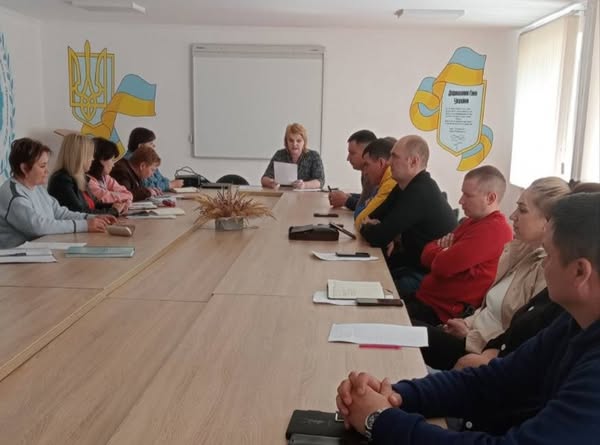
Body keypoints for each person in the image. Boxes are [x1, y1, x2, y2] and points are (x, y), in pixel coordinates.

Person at [336, 192, 600, 443]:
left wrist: (378, 420)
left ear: (580, 272)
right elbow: (491, 381)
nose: (544, 264)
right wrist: (395, 394)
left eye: (549, 255)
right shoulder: (572, 323)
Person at [417, 176, 570, 370]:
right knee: (400, 327)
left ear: (548, 222)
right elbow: (488, 308)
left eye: (522, 210)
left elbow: (517, 335)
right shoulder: (519, 250)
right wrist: (466, 323)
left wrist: (470, 336)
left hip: (478, 350)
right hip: (466, 331)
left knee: (402, 330)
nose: (513, 215)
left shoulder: (548, 271)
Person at [454, 181, 600, 371]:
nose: (512, 216)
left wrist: (478, 346)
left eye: (549, 255)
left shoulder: (563, 315)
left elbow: (443, 265)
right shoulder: (566, 322)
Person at [403, 166, 513, 326]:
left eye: (468, 195)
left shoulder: (494, 230)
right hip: (427, 300)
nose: (461, 201)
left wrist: (443, 251)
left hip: (440, 314)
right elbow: (426, 255)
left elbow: (441, 266)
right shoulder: (471, 221)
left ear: (490, 198)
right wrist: (445, 251)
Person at [359, 135, 456, 295]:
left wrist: (373, 228)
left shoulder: (420, 192)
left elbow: (378, 236)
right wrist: (374, 227)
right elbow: (372, 216)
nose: (388, 162)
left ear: (413, 162)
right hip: (409, 264)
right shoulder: (404, 186)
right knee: (364, 278)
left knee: (370, 290)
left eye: (394, 157)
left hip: (426, 276)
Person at [0, 138, 109, 248]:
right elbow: (38, 227)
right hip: (17, 256)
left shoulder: (37, 187)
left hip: (38, 250)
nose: (47, 171)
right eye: (42, 166)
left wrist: (92, 218)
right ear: (24, 168)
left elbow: (60, 213)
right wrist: (85, 225)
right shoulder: (13, 196)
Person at [47, 134, 121, 217]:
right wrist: (113, 211)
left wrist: (114, 206)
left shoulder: (80, 177)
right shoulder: (61, 180)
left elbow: (95, 204)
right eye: (90, 155)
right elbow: (80, 213)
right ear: (80, 156)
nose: (93, 159)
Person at [261, 123, 325, 189]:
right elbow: (264, 179)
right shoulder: (279, 155)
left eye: (298, 141)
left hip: (305, 194)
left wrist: (304, 185)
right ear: (286, 141)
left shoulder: (313, 156)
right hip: (283, 194)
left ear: (304, 142)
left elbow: (320, 181)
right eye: (291, 140)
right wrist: (271, 183)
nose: (294, 144)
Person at [353, 138, 396, 230]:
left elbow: (359, 221)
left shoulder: (390, 183)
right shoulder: (385, 181)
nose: (364, 172)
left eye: (366, 165)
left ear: (381, 163)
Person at [328, 129, 377, 209]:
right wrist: (349, 196)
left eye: (352, 153)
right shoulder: (365, 173)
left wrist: (346, 201)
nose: (348, 158)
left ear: (367, 153)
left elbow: (373, 206)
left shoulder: (376, 175)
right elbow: (366, 198)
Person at [125, 127, 183, 192]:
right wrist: (170, 185)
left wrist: (169, 183)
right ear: (140, 146)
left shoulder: (148, 157)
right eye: (150, 143)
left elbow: (160, 178)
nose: (154, 146)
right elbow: (147, 187)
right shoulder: (133, 161)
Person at [87, 137, 133, 214]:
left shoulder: (105, 177)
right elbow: (103, 197)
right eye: (112, 160)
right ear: (102, 160)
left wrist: (126, 202)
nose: (113, 165)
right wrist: (123, 199)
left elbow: (128, 194)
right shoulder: (87, 180)